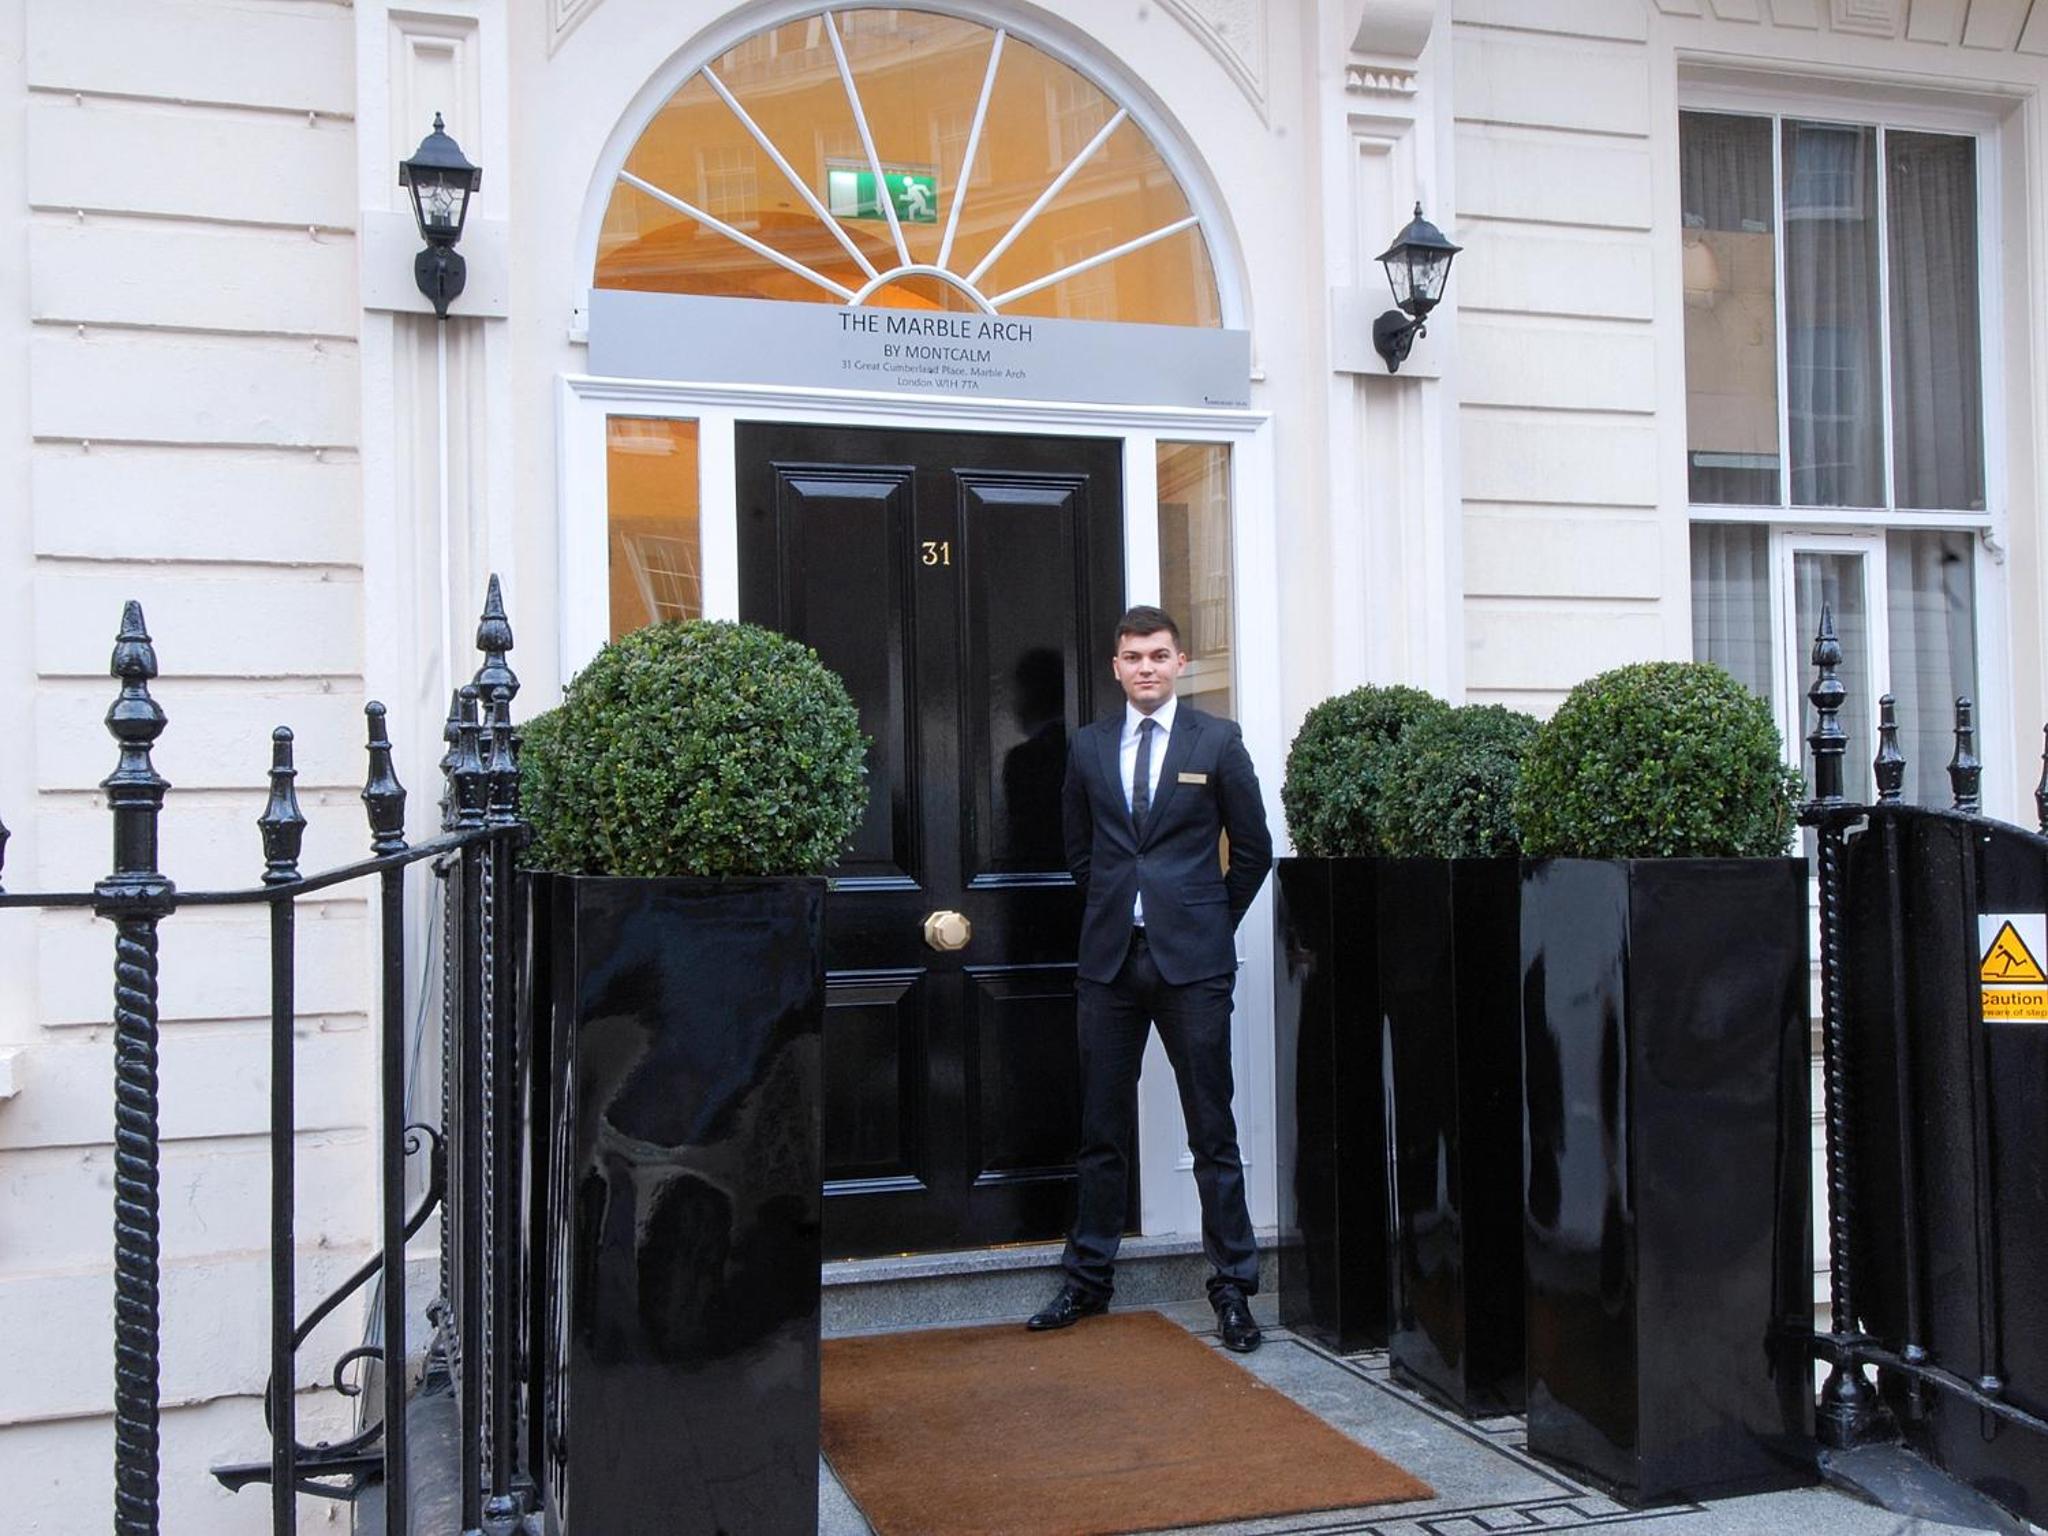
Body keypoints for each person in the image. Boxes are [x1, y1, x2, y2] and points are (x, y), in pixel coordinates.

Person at [1026, 605, 1274, 1352]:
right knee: (1100, 1128)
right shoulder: (1088, 747)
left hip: (1193, 967)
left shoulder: (1217, 741)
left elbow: (1253, 850)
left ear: (1180, 662)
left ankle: (1232, 1289)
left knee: (1212, 1129)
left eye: (1158, 656)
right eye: (1133, 657)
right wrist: (1115, 913)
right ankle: (1088, 1279)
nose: (1145, 668)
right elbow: (1081, 853)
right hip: (1109, 962)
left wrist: (1205, 925)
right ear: (1116, 666)